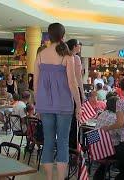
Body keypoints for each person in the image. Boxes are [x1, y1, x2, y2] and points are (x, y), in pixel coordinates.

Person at [34, 23, 81, 180]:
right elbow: (72, 83)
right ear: (63, 36)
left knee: (48, 142)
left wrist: (37, 103)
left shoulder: (40, 54)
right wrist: (79, 105)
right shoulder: (67, 56)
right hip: (64, 104)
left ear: (49, 35)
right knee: (63, 142)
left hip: (45, 104)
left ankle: (49, 179)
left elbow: (35, 82)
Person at [92, 96, 120, 180]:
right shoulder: (116, 118)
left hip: (97, 148)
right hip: (108, 151)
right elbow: (121, 134)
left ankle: (100, 175)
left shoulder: (102, 114)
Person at [66, 39, 85, 151]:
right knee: (75, 119)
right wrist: (82, 93)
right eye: (79, 45)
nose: (80, 47)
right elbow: (78, 78)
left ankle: (66, 145)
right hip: (74, 90)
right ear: (74, 46)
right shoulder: (76, 58)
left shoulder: (63, 57)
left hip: (64, 91)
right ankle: (73, 146)